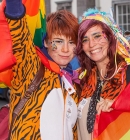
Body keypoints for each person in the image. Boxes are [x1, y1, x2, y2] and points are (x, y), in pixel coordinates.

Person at [3, 0, 80, 139]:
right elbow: (19, 34)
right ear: (46, 42)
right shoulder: (31, 67)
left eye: (71, 42)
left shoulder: (74, 83)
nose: (66, 49)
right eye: (58, 41)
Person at [76, 9, 130, 140]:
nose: (92, 44)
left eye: (97, 36)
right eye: (85, 39)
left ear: (110, 37)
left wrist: (120, 104)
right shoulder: (81, 79)